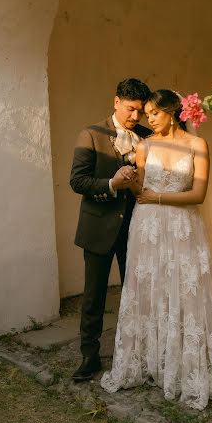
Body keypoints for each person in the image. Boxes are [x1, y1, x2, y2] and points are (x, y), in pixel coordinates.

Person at [101, 89, 212, 410]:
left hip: (183, 226)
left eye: (154, 113)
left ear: (171, 112)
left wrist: (156, 198)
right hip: (148, 228)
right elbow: (141, 188)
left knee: (189, 289)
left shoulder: (197, 145)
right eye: (146, 113)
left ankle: (190, 359)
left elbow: (198, 194)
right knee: (152, 288)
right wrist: (128, 181)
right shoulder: (144, 146)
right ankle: (155, 360)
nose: (148, 118)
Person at [70, 78, 151, 381]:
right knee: (94, 296)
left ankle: (140, 352)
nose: (136, 117)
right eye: (131, 109)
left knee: (138, 294)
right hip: (98, 227)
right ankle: (89, 357)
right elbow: (77, 181)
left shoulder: (148, 135)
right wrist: (111, 184)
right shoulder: (89, 135)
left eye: (141, 111)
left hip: (137, 228)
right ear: (116, 102)